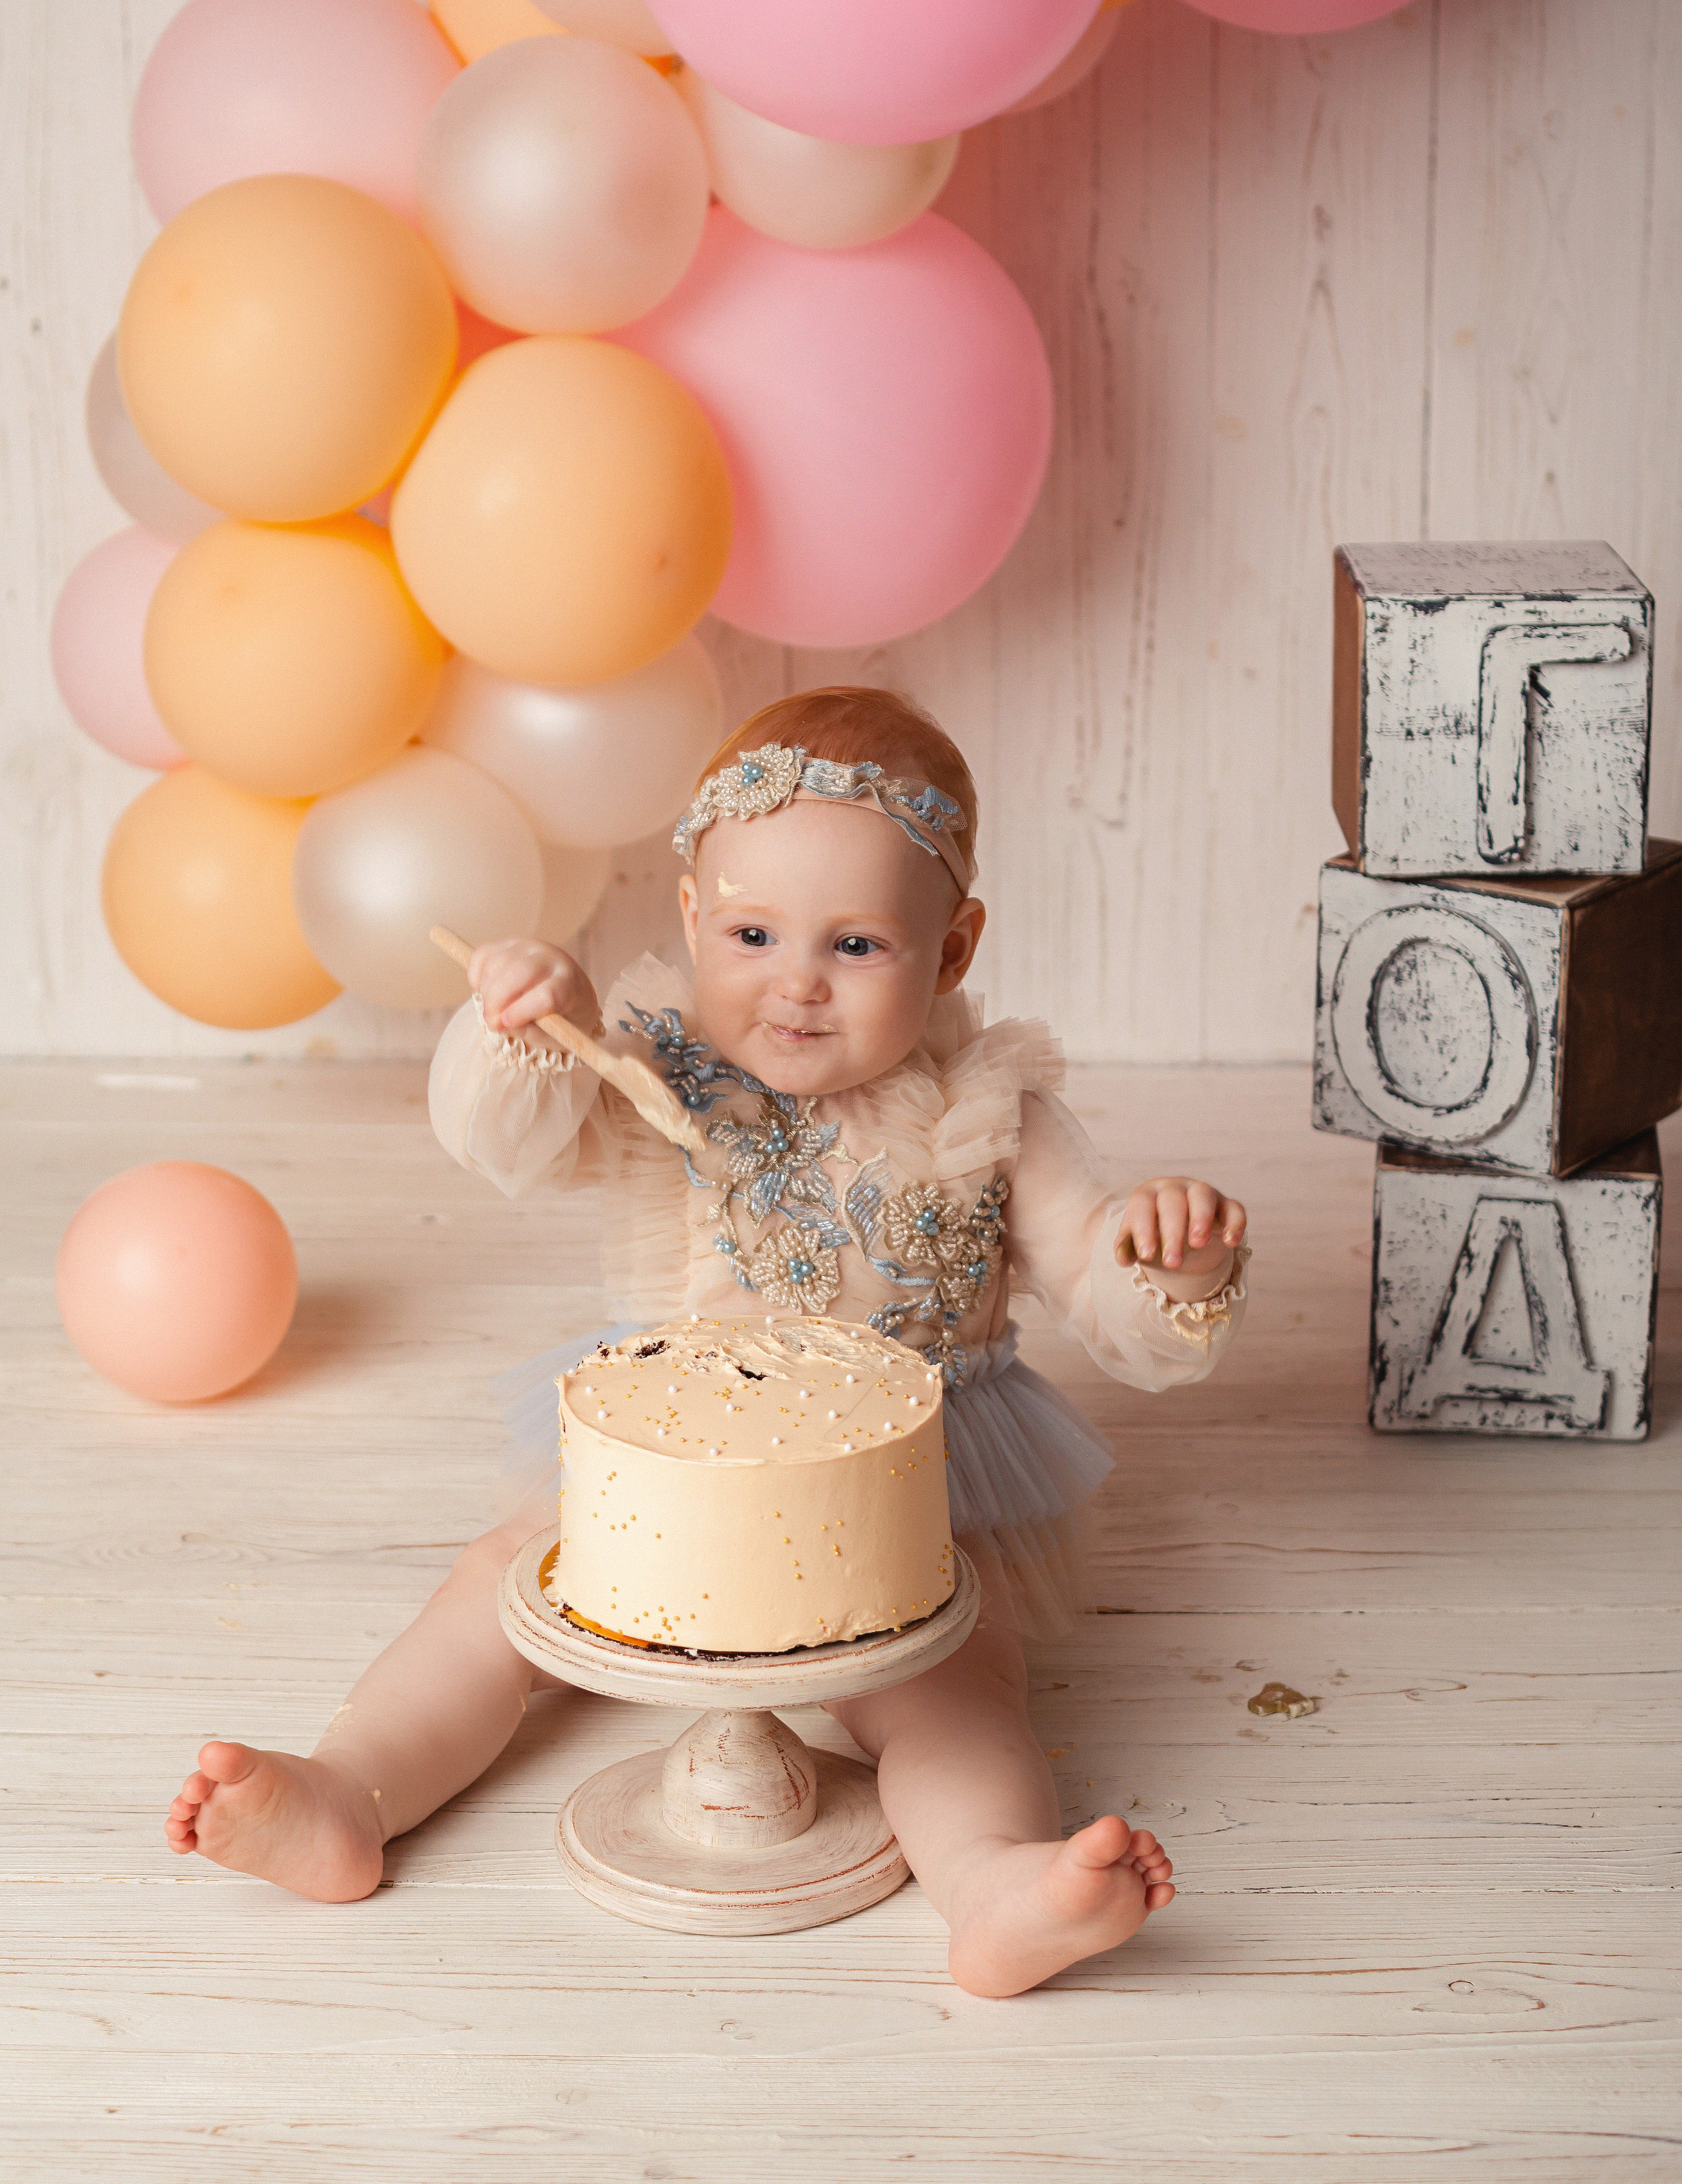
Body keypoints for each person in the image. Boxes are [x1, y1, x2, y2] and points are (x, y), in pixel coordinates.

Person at [166, 686, 1249, 1997]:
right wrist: (521, 1027)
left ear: (952, 950)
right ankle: (351, 1792)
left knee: (957, 1684)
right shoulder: (651, 1071)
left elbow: (1095, 1275)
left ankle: (989, 1881)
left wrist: (1162, 1258)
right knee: (503, 1590)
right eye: (750, 933)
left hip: (908, 1485)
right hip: (672, 1460)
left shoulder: (987, 1109)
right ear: (690, 918)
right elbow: (504, 1139)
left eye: (857, 944)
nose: (795, 981)